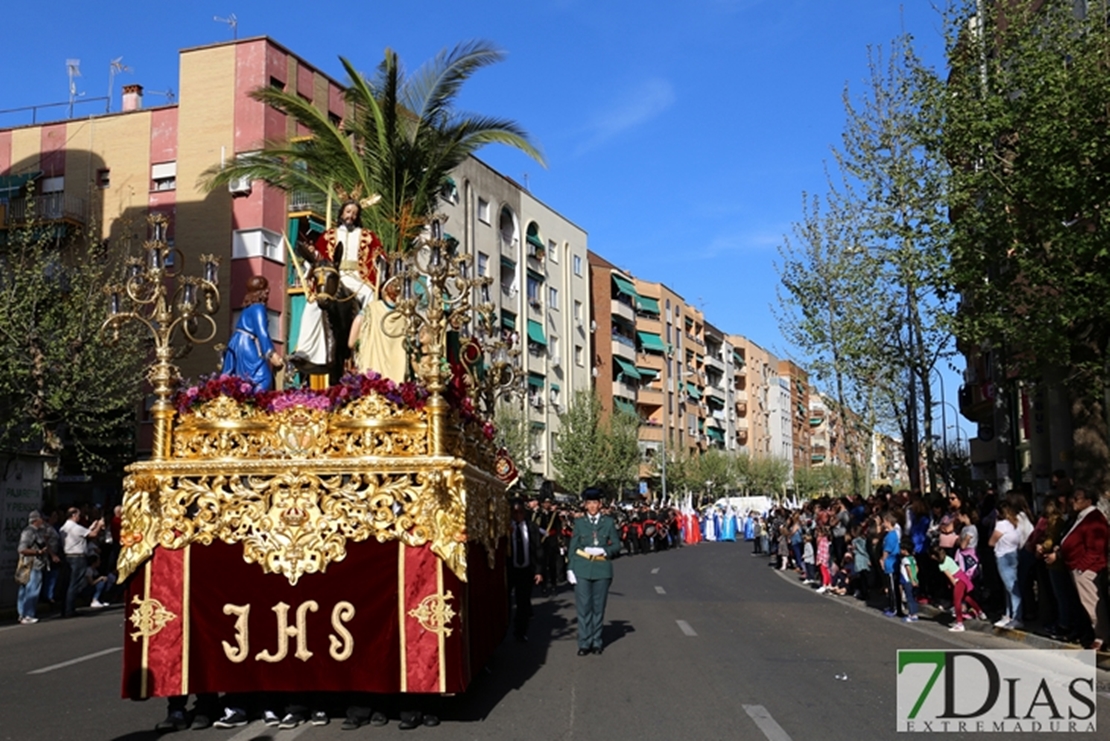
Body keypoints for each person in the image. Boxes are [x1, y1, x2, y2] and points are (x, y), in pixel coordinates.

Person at [290, 200, 384, 369]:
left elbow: (378, 252)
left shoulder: (367, 235)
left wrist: (380, 259)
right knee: (313, 303)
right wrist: (312, 254)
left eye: (354, 213)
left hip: (358, 278)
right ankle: (305, 350)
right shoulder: (329, 235)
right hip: (334, 276)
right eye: (348, 211)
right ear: (341, 213)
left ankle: (369, 344)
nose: (351, 216)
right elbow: (318, 256)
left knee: (371, 301)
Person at [1045, 487, 1109, 651]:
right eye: (1073, 498)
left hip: (1086, 569)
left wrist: (1082, 568)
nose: (1073, 501)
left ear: (1088, 501)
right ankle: (1093, 634)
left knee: (1092, 604)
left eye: (1077, 498)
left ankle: (1101, 637)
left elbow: (1095, 548)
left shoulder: (1094, 519)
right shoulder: (1081, 517)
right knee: (1085, 604)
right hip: (1076, 566)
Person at [567, 488, 621, 656]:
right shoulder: (580, 523)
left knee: (598, 608)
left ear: (600, 504)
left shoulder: (608, 522)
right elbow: (573, 546)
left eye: (594, 503)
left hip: (602, 568)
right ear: (585, 505)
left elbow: (617, 545)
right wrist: (570, 568)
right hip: (582, 568)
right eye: (589, 503)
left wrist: (605, 551)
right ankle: (584, 642)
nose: (592, 506)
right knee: (584, 608)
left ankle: (596, 641)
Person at [222, 276, 283, 391]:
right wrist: (271, 354)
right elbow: (262, 332)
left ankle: (242, 403)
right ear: (264, 291)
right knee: (263, 378)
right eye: (267, 289)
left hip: (236, 342)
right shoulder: (259, 308)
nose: (268, 292)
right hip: (247, 344)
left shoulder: (248, 308)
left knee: (241, 379)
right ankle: (255, 404)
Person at [507, 498, 544, 641]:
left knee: (523, 602)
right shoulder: (506, 528)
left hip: (526, 570)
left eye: (521, 512)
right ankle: (506, 628)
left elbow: (538, 549)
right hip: (511, 570)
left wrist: (539, 571)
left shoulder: (531, 527)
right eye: (515, 512)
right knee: (508, 602)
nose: (518, 516)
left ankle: (520, 631)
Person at [60, 507, 103, 618]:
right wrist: (99, 526)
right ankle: (69, 609)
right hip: (77, 557)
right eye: (78, 515)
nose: (80, 517)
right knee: (74, 583)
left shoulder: (64, 527)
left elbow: (82, 535)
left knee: (68, 583)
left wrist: (90, 528)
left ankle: (66, 608)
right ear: (74, 515)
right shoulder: (75, 527)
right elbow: (93, 535)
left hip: (68, 556)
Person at [17, 511, 59, 624]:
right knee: (31, 590)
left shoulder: (38, 531)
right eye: (41, 519)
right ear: (36, 520)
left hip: (37, 564)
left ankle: (23, 614)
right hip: (31, 565)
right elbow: (22, 549)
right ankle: (27, 614)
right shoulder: (29, 532)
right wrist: (38, 552)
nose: (43, 521)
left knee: (27, 589)